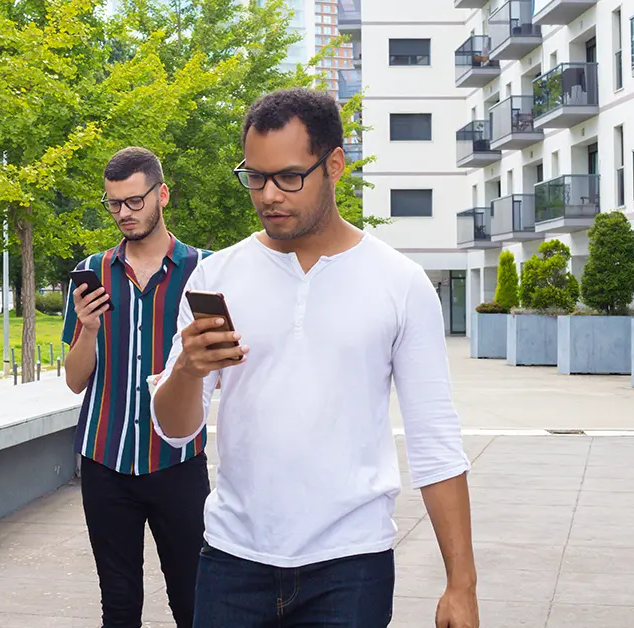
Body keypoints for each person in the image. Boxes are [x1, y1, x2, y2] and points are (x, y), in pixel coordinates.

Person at [151, 88, 480, 627]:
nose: (268, 195)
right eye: (255, 177)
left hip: (352, 565)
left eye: (288, 177)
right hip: (233, 560)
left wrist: (461, 584)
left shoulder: (399, 283)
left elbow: (436, 442)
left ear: (334, 165)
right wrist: (187, 370)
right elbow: (174, 430)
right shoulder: (216, 277)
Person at [62, 147, 212, 627]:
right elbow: (74, 381)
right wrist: (88, 329)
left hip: (179, 461)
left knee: (193, 601)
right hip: (104, 461)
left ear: (161, 194)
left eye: (134, 201)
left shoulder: (206, 271)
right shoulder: (92, 272)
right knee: (119, 605)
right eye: (114, 204)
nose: (124, 213)